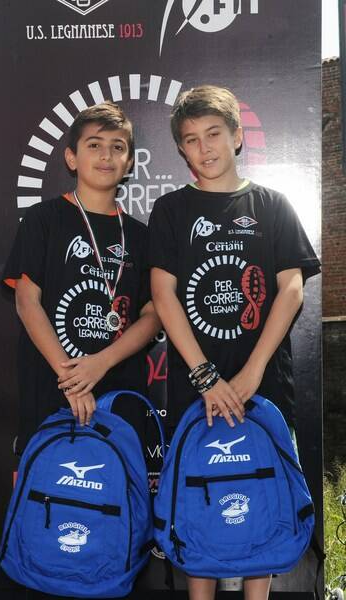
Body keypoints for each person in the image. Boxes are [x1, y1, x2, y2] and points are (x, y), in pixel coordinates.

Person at [148, 85, 321, 600]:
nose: (205, 148)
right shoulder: (171, 210)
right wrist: (205, 377)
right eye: (192, 139)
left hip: (263, 384)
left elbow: (292, 288)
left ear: (237, 136)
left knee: (260, 495)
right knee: (199, 498)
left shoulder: (273, 204)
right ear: (181, 149)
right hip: (195, 386)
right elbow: (163, 294)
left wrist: (251, 373)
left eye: (214, 134)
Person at [3, 101, 161, 454]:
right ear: (71, 158)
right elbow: (27, 301)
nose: (106, 155)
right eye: (94, 145)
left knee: (118, 484)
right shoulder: (43, 219)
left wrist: (101, 363)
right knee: (50, 484)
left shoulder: (141, 236)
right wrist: (72, 380)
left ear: (129, 163)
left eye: (117, 147)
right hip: (53, 387)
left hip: (119, 392)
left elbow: (153, 315)